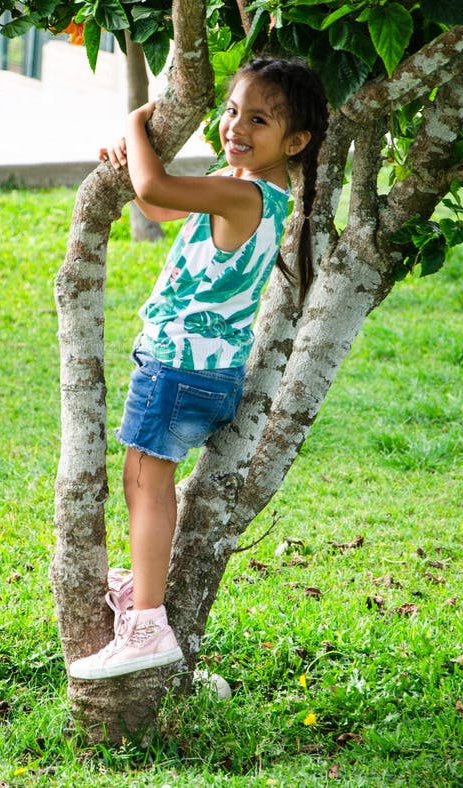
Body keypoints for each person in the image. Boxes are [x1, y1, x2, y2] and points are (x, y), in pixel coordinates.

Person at [69, 56, 329, 680]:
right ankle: (145, 582)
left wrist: (137, 120)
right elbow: (158, 206)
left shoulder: (242, 193)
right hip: (207, 373)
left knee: (145, 481)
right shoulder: (245, 188)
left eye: (258, 119)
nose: (236, 125)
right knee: (147, 482)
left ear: (295, 142)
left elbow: (156, 191)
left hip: (177, 367)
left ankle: (148, 625)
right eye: (233, 110)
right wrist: (131, 157)